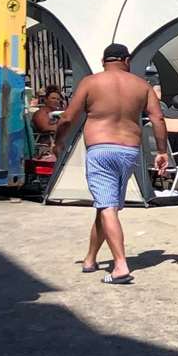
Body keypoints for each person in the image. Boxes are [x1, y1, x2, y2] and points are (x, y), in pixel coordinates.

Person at [54, 44, 169, 284]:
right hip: (128, 150)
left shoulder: (91, 82)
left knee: (106, 206)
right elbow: (157, 118)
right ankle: (90, 258)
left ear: (103, 60)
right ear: (126, 60)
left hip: (100, 148)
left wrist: (59, 141)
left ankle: (120, 265)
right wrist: (161, 151)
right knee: (107, 206)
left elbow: (67, 117)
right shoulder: (142, 85)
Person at [31, 88, 64, 154]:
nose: (56, 101)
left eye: (58, 99)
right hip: (46, 146)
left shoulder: (58, 113)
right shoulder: (41, 113)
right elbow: (45, 127)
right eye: (53, 98)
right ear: (46, 100)